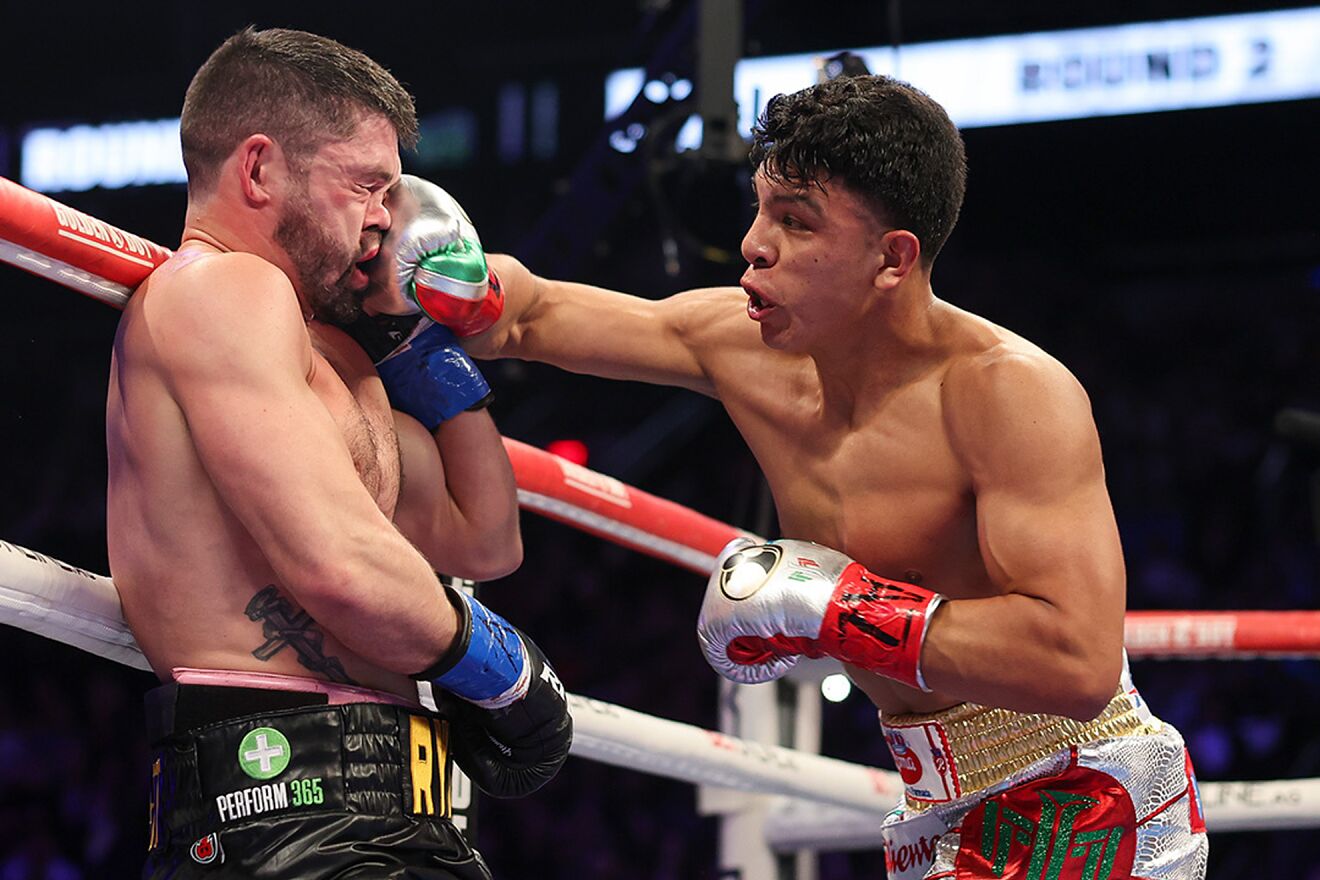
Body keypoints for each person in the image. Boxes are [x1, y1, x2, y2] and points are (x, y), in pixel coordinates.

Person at [456, 75, 1207, 878]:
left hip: (1082, 795)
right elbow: (533, 315)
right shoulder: (741, 346)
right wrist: (444, 269)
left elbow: (1078, 663)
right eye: (760, 207)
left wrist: (842, 609)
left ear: (892, 259)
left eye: (795, 221)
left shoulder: (1006, 393)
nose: (753, 242)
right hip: (936, 802)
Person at [107, 27, 570, 879]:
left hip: (400, 811)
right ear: (258, 170)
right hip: (274, 806)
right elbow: (341, 568)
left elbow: (484, 535)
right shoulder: (219, 288)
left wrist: (421, 348)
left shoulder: (338, 358)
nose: (386, 219)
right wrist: (500, 670)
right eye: (365, 186)